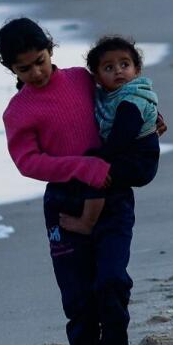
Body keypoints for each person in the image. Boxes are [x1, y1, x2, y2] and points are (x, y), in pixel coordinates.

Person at [0, 19, 145, 345]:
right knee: (78, 299)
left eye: (41, 61)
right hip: (64, 202)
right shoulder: (18, 111)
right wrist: (81, 167)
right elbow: (28, 162)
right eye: (24, 68)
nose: (37, 72)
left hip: (112, 193)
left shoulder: (84, 79)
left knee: (112, 279)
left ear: (51, 49)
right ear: (11, 69)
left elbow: (123, 102)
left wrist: (149, 126)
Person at [59, 36, 160, 236]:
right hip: (129, 155)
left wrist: (97, 159)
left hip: (140, 162)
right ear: (96, 77)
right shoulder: (108, 96)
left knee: (94, 168)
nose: (118, 70)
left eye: (125, 64)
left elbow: (121, 138)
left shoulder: (131, 100)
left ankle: (86, 222)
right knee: (94, 164)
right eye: (108, 68)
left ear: (137, 70)